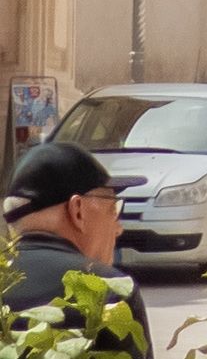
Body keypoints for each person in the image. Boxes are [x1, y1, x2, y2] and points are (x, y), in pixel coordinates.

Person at [3, 139, 150, 354]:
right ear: (78, 210)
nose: (118, 228)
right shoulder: (108, 289)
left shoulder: (4, 280)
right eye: (113, 209)